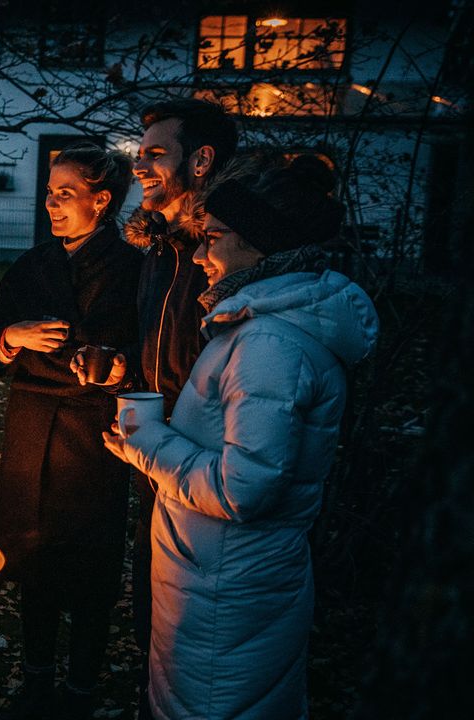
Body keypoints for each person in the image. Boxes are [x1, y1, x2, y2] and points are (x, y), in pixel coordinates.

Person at [102, 156, 379, 719]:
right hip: (216, 582)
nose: (201, 254)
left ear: (262, 244)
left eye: (215, 238)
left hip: (228, 594)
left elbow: (242, 492)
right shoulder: (257, 328)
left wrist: (145, 442)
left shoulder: (270, 346)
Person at [0, 144, 143, 720]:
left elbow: (135, 352)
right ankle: (37, 678)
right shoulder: (32, 265)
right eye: (49, 192)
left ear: (102, 201)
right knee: (33, 557)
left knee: (90, 566)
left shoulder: (131, 269)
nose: (51, 203)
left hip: (93, 436)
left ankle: (79, 689)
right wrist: (13, 337)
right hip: (31, 430)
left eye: (65, 193)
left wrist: (114, 364)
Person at [88, 97, 237, 719]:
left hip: (210, 465)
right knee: (157, 607)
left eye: (155, 154)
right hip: (159, 455)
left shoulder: (230, 248)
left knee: (204, 632)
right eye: (139, 153)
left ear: (201, 161)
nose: (140, 166)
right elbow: (161, 342)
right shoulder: (161, 248)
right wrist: (122, 361)